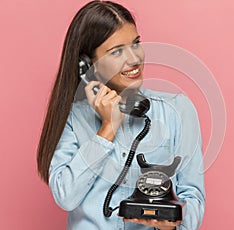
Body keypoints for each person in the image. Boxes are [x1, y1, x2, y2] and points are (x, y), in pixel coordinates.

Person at [37, 1, 205, 229]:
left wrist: (172, 223)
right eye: (116, 51)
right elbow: (65, 196)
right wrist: (107, 129)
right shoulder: (73, 117)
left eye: (136, 44)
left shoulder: (178, 110)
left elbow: (193, 197)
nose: (134, 59)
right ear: (88, 65)